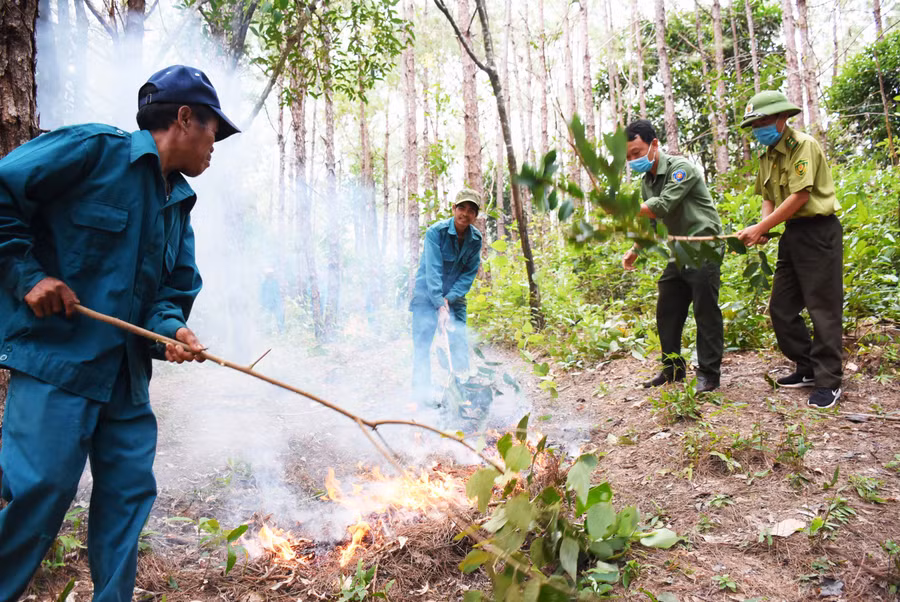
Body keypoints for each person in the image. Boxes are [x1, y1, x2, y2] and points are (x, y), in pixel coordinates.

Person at [0, 65, 239, 600]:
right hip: (57, 367)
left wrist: (172, 330)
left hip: (126, 383)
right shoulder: (92, 151)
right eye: (213, 132)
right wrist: (27, 275)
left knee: (128, 500)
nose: (215, 146)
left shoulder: (178, 204)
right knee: (40, 493)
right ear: (183, 118)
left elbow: (171, 292)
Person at [737, 90, 843, 409]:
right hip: (793, 233)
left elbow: (800, 197)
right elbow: (769, 198)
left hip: (819, 231)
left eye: (764, 121)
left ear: (783, 118)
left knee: (822, 308)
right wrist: (763, 227)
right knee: (781, 308)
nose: (759, 128)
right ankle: (808, 366)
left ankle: (829, 381)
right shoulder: (767, 155)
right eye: (755, 123)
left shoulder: (803, 146)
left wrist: (762, 226)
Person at [622, 119, 724, 393]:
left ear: (654, 144)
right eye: (629, 156)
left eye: (637, 152)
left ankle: (709, 375)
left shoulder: (681, 169)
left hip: (704, 246)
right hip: (678, 250)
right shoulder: (647, 181)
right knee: (667, 307)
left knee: (705, 310)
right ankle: (673, 369)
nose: (634, 160)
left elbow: (663, 205)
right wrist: (635, 251)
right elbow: (651, 223)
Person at [410, 189, 482, 398]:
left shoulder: (475, 239)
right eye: (461, 208)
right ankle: (421, 396)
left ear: (475, 216)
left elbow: (468, 274)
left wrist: (449, 300)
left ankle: (459, 392)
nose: (465, 214)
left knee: (458, 339)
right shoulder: (436, 232)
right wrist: (439, 304)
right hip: (426, 294)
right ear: (453, 209)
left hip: (454, 297)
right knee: (423, 344)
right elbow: (432, 270)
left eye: (471, 210)